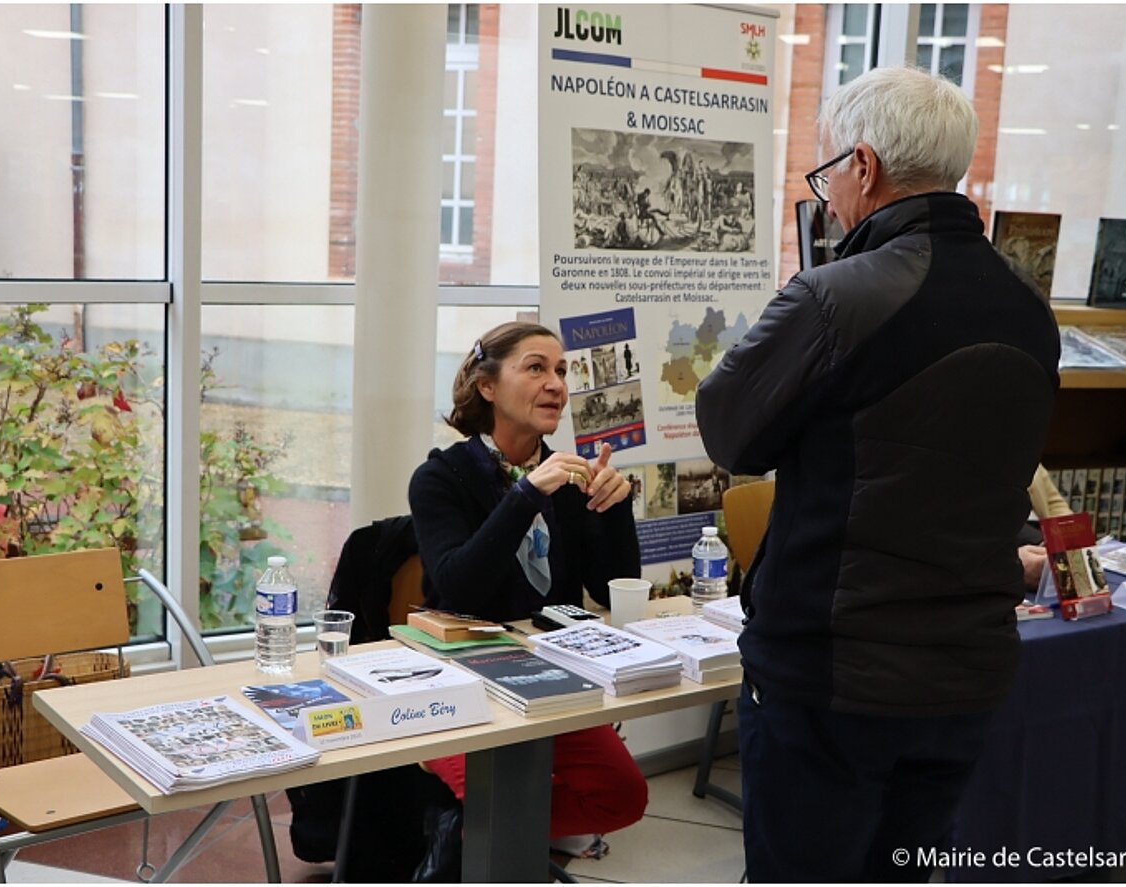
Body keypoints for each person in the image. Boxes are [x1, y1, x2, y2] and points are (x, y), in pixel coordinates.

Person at [695, 66, 1060, 882]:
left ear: (863, 167)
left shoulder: (836, 296)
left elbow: (727, 430)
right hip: (966, 671)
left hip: (834, 677)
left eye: (828, 175)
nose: (826, 200)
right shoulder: (1027, 309)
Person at [408, 321, 648, 855]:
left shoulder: (567, 477)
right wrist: (524, 496)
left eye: (561, 371)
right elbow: (459, 589)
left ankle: (475, 835)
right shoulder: (441, 477)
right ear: (487, 386)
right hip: (457, 685)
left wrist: (616, 508)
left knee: (624, 796)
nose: (557, 384)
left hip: (545, 677)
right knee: (505, 799)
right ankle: (494, 844)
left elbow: (608, 593)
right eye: (536, 368)